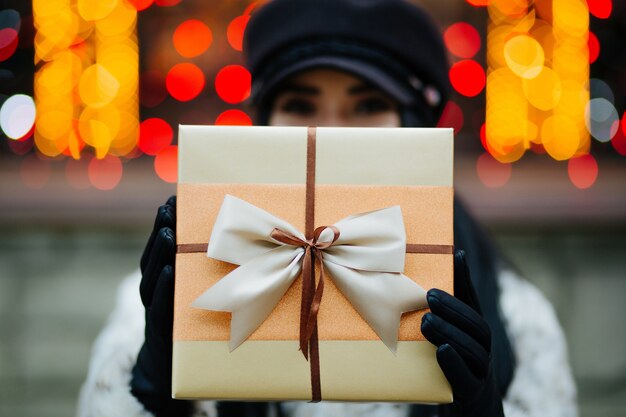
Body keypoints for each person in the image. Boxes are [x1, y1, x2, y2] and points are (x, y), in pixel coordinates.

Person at [77, 1, 578, 416]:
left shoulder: (516, 315)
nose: (332, 131)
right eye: (300, 104)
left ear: (415, 128)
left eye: (366, 106)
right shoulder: (168, 298)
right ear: (265, 123)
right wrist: (152, 385)